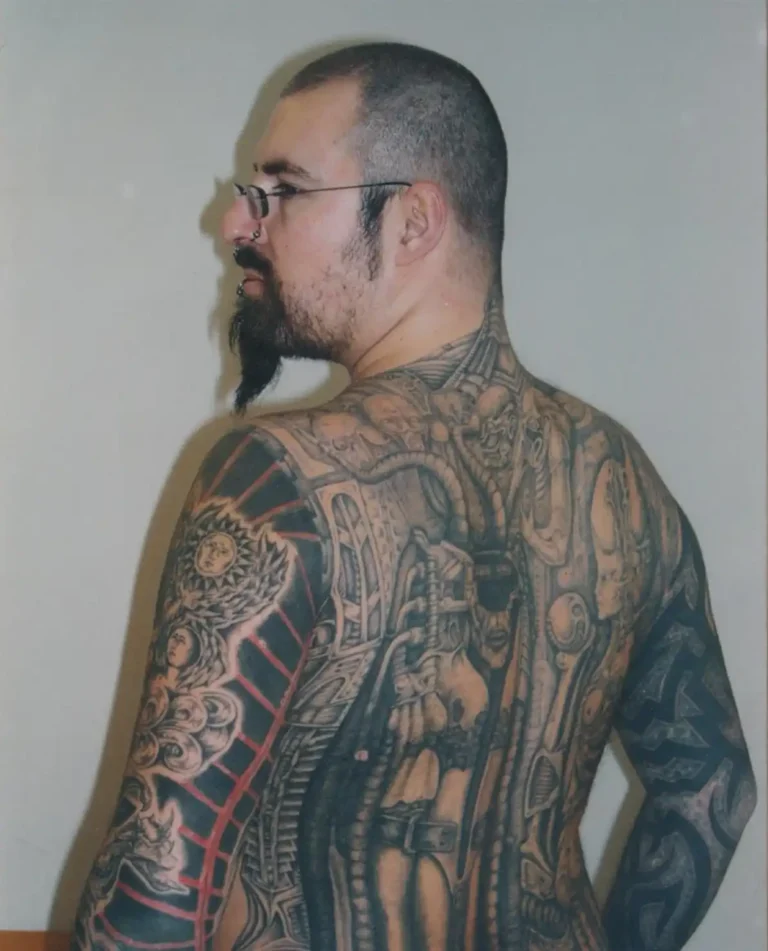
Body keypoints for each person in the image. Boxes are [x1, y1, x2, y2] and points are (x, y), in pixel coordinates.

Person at [71, 42, 757, 951]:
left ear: (413, 220)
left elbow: (152, 898)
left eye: (283, 189)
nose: (237, 221)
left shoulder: (276, 479)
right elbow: (712, 787)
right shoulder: (621, 480)